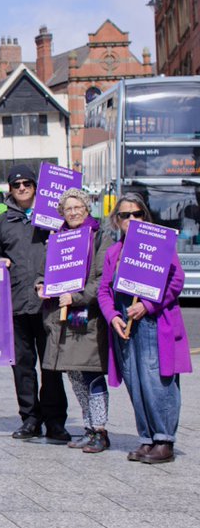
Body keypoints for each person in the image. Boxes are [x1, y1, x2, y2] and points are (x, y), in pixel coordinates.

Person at [98, 193, 192, 464]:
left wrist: (148, 306)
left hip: (153, 322)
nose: (131, 219)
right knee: (135, 381)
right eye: (125, 215)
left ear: (145, 217)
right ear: (117, 220)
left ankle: (164, 439)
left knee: (156, 382)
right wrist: (112, 316)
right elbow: (104, 291)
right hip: (125, 325)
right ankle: (147, 438)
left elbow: (176, 282)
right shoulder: (114, 252)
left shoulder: (160, 246)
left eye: (137, 214)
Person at [0, 165, 70, 443]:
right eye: (16, 184)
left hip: (50, 305)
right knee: (22, 365)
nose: (22, 188)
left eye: (27, 183)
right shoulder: (2, 222)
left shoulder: (54, 218)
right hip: (16, 303)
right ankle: (30, 418)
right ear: (10, 189)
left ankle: (55, 421)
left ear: (36, 186)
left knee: (52, 365)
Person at [35, 188, 114, 453]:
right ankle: (89, 428)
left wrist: (76, 297)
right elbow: (45, 271)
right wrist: (41, 285)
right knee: (76, 377)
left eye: (77, 207)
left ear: (87, 208)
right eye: (68, 209)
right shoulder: (57, 239)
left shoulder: (99, 236)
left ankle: (100, 431)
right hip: (62, 321)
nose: (73, 212)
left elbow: (102, 279)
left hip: (87, 320)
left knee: (91, 376)